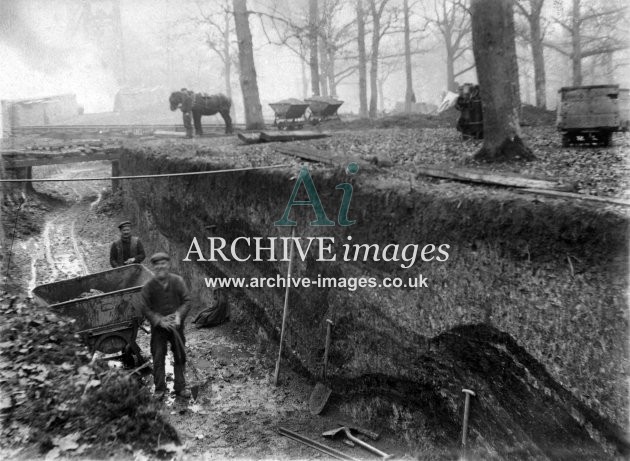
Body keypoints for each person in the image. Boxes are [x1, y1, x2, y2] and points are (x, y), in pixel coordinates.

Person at [140, 252, 192, 399]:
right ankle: (160, 389)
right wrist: (158, 320)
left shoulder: (178, 281)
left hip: (176, 327)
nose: (161, 267)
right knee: (158, 357)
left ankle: (180, 387)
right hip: (159, 330)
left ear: (168, 265)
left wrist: (178, 316)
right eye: (157, 264)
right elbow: (144, 307)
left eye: (163, 263)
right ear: (154, 267)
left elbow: (187, 301)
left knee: (180, 355)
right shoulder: (148, 287)